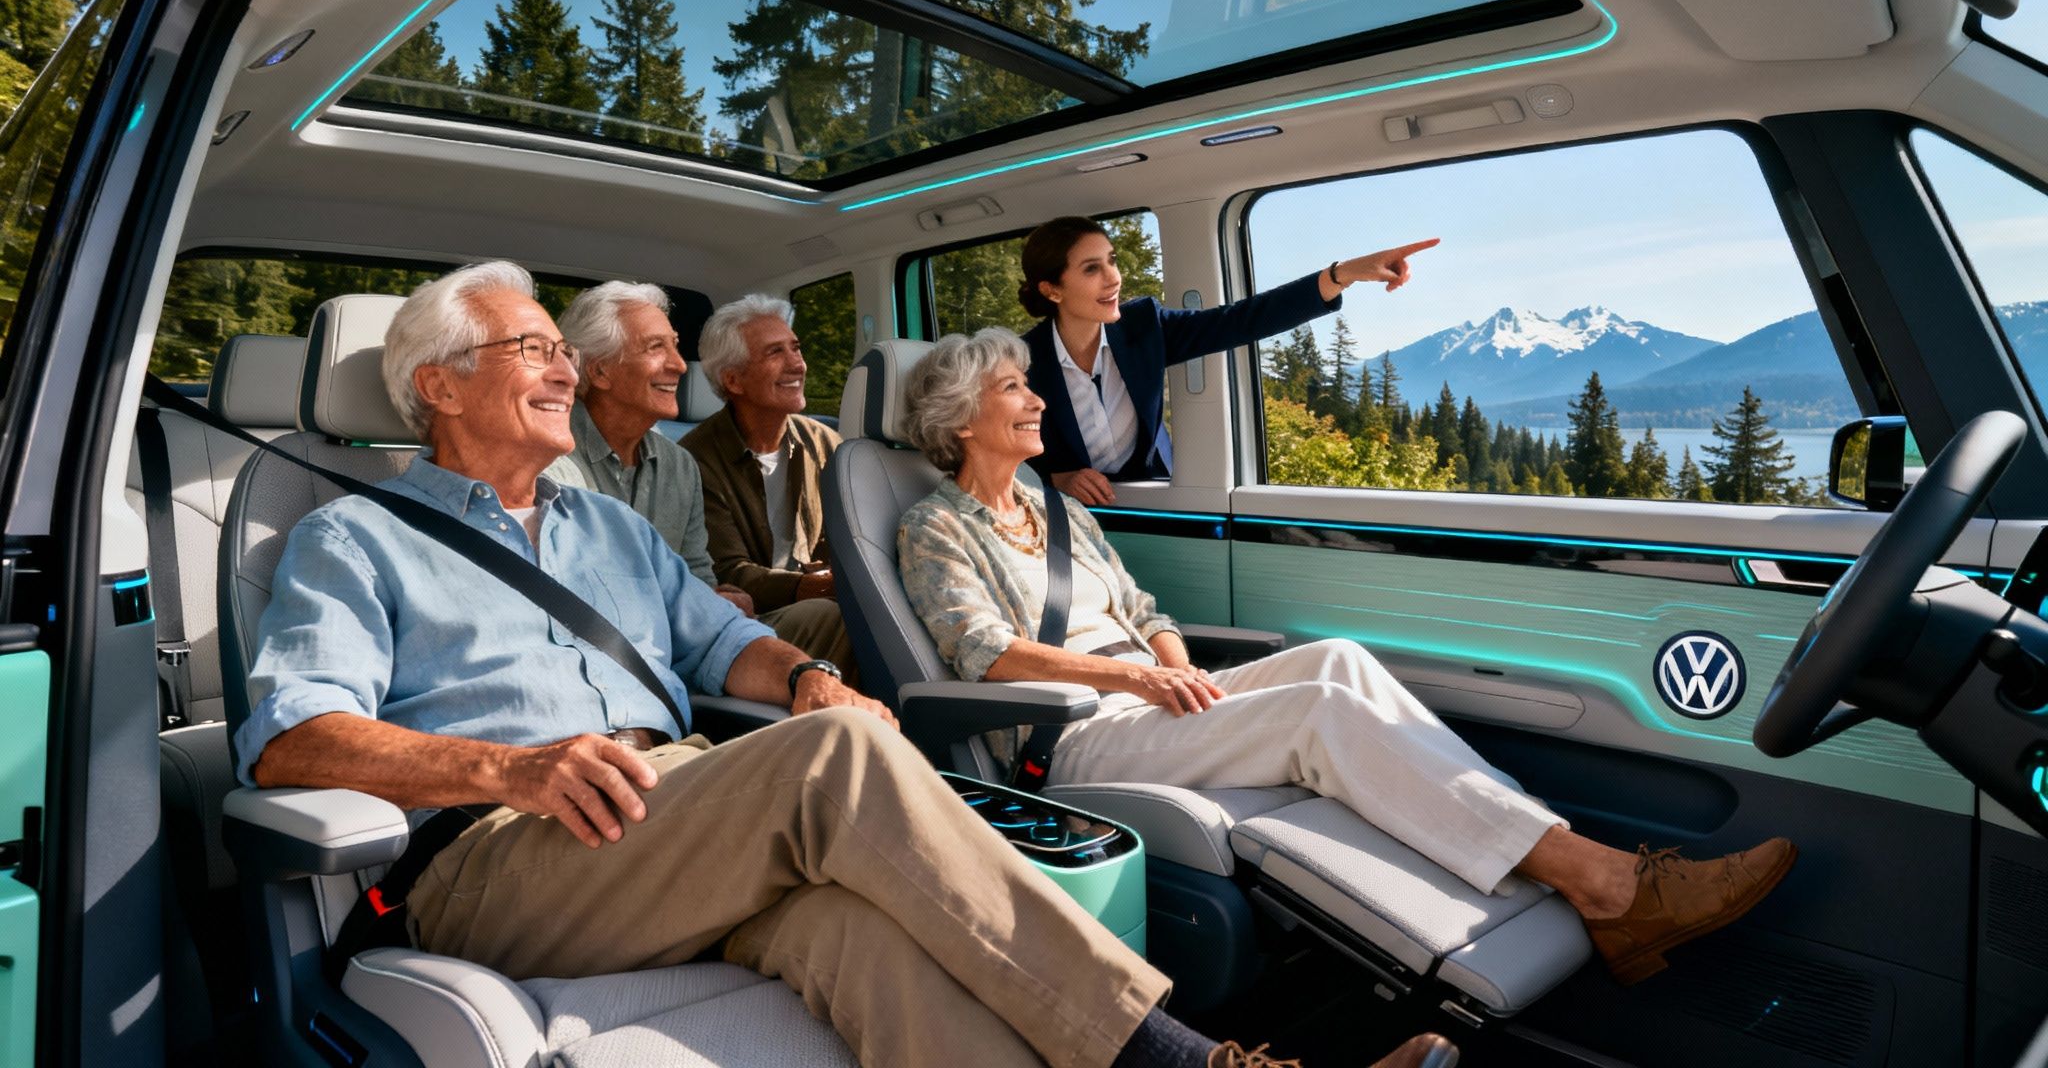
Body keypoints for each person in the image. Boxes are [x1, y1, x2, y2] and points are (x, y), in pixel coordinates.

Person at [234, 261, 1430, 1068]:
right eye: (531, 348)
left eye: (562, 347)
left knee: (847, 937)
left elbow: (723, 644)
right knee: (839, 761)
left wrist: (801, 680)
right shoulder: (355, 538)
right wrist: (510, 769)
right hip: (496, 866)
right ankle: (1188, 1063)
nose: (562, 366)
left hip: (666, 820)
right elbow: (291, 741)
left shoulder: (610, 527)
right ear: (437, 386)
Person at [896, 328, 1799, 986]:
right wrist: (1140, 674)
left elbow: (1141, 608)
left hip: (1152, 690)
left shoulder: (1063, 511)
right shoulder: (933, 526)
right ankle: (1606, 884)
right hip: (1073, 737)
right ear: (960, 418)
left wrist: (1174, 659)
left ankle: (1547, 845)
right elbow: (981, 653)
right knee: (1316, 715)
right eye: (1015, 388)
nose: (1038, 399)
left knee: (1340, 659)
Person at [545, 280, 854, 679]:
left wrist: (718, 600)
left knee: (825, 640)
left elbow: (700, 579)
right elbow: (574, 598)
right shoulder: (551, 462)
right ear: (600, 370)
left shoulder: (677, 466)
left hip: (686, 643)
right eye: (657, 348)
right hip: (606, 658)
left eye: (675, 345)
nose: (679, 364)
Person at [1016, 215, 1438, 506]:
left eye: (1112, 260)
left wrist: (1341, 274)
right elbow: (988, 456)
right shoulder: (1022, 364)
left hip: (1158, 501)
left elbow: (1240, 321)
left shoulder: (1145, 326)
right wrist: (1055, 479)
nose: (1113, 278)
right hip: (1066, 514)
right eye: (1092, 269)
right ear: (1052, 289)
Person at [682, 296, 840, 613]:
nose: (798, 364)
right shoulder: (693, 461)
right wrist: (813, 587)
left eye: (795, 348)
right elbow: (728, 571)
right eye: (775, 352)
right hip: (752, 619)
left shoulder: (824, 442)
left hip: (821, 602)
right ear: (733, 380)